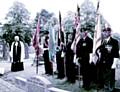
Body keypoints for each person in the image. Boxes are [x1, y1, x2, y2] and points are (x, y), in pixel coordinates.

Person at [96, 27, 119, 91]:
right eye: (104, 32)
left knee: (110, 77)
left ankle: (110, 89)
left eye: (107, 32)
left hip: (110, 63)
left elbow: (116, 54)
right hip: (102, 63)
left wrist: (114, 63)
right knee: (104, 77)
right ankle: (105, 87)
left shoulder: (114, 41)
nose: (105, 33)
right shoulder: (103, 42)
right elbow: (99, 51)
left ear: (110, 32)